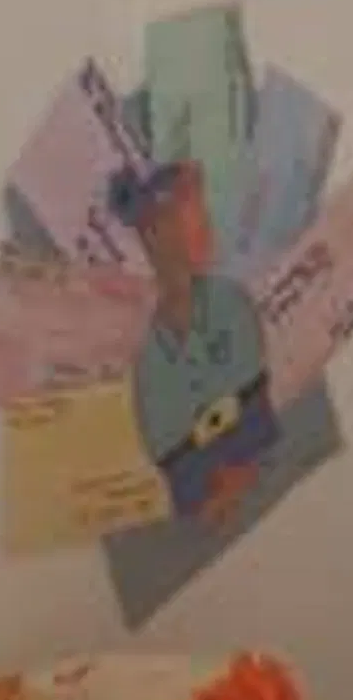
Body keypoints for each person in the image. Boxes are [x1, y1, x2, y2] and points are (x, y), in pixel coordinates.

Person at [116, 161, 274, 521]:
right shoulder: (148, 352)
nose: (165, 239)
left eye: (173, 220)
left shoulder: (230, 302)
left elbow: (253, 406)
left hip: (259, 472)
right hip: (199, 502)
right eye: (153, 229)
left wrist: (208, 440)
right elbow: (163, 445)